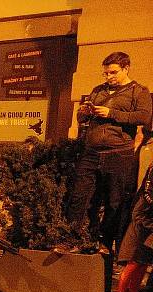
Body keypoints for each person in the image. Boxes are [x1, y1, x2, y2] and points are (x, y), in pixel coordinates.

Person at [58, 51, 152, 255]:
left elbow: (144, 118)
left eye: (113, 73)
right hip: (91, 151)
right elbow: (81, 118)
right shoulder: (98, 90)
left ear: (126, 68)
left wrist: (111, 113)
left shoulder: (138, 91)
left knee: (114, 200)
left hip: (118, 152)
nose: (109, 77)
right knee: (79, 195)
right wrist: (84, 112)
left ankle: (105, 243)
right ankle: (72, 238)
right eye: (106, 73)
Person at [115, 163, 153, 292]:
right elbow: (148, 194)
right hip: (142, 218)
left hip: (149, 219)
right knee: (134, 261)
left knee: (143, 261)